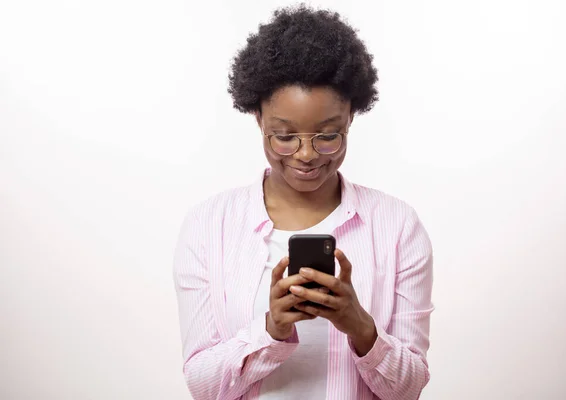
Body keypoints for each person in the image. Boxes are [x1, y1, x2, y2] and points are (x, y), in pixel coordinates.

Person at [173, 5, 434, 400]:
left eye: (329, 135)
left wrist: (361, 327)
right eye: (284, 135)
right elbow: (202, 385)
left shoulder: (397, 226)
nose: (307, 154)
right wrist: (271, 331)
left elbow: (410, 388)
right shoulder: (209, 225)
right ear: (258, 118)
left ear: (351, 119)